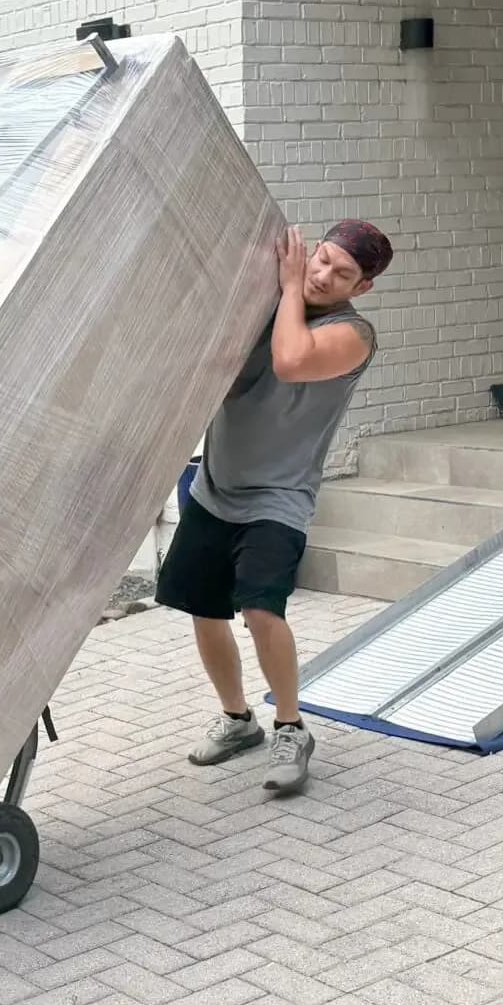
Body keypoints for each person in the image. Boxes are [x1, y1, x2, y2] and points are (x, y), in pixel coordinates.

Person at [156, 218, 392, 797]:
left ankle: (291, 727)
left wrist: (288, 287)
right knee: (205, 609)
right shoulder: (263, 305)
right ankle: (238, 720)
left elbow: (290, 361)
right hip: (215, 486)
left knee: (262, 610)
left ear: (361, 288)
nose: (324, 275)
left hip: (279, 498)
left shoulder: (353, 334)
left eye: (343, 273)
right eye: (322, 259)